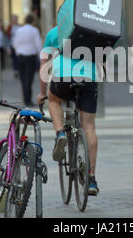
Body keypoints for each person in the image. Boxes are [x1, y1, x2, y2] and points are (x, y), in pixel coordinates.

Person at [36, 25, 100, 196]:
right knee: (89, 126)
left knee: (54, 101)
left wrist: (42, 93)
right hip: (88, 76)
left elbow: (44, 65)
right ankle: (91, 179)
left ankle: (60, 133)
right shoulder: (92, 29)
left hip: (62, 75)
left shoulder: (54, 32)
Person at [12, 14, 42, 106]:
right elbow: (38, 44)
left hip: (20, 56)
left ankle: (25, 98)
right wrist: (41, 57)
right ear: (33, 21)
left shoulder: (19, 30)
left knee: (23, 78)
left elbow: (14, 43)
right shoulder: (34, 30)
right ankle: (27, 100)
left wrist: (18, 51)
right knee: (29, 79)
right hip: (30, 56)